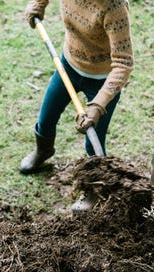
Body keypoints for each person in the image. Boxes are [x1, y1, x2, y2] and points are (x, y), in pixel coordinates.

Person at [20, 0, 134, 210]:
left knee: (93, 143)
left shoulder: (114, 8)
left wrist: (98, 105)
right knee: (46, 118)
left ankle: (94, 189)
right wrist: (38, 3)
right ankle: (43, 151)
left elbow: (124, 64)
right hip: (68, 66)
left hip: (102, 80)